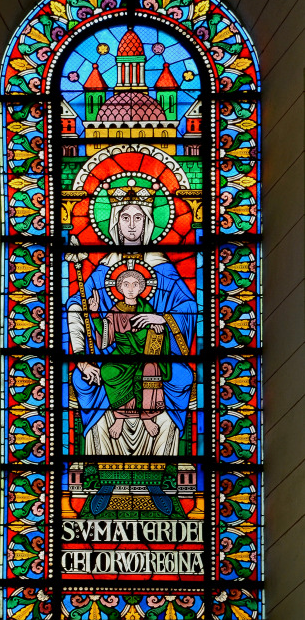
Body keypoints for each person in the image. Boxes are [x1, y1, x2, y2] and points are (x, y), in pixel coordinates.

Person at [67, 180, 197, 456]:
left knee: (183, 377)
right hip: (114, 353)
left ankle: (165, 467)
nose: (132, 225)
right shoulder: (102, 269)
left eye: (139, 218)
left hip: (158, 351)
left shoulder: (163, 267)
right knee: (83, 381)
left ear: (148, 222)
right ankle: (99, 470)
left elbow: (188, 305)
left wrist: (162, 319)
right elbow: (75, 307)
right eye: (125, 217)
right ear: (115, 222)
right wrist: (81, 359)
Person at [88, 269, 170, 440]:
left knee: (150, 369)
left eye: (135, 284)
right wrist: (94, 313)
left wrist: (157, 328)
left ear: (141, 288)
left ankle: (147, 416)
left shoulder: (146, 308)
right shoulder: (115, 309)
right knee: (108, 371)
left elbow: (156, 331)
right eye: (126, 284)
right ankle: (120, 417)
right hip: (121, 354)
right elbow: (106, 339)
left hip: (145, 353)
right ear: (119, 288)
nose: (131, 288)